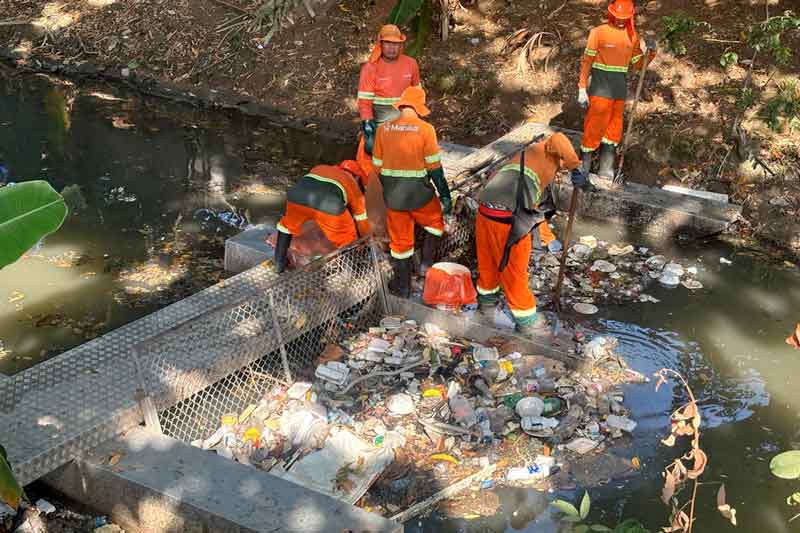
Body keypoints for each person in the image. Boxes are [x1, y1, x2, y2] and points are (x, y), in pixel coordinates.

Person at [475, 133, 587, 335]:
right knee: (514, 270)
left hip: (485, 210)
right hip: (508, 217)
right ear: (562, 155)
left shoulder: (527, 157)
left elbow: (533, 210)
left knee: (489, 261)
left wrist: (547, 239)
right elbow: (559, 138)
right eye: (563, 163)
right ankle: (527, 322)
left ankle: (486, 306)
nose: (562, 169)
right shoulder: (548, 149)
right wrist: (576, 166)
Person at [371, 86, 450, 297]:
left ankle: (403, 287)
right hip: (420, 196)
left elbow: (377, 167)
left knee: (400, 244)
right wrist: (445, 195)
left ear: (402, 105)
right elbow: (435, 168)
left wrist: (387, 192)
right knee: (435, 225)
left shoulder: (383, 129)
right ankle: (426, 265)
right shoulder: (426, 130)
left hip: (394, 198)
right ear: (418, 107)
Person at [578, 0, 657, 178]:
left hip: (619, 92)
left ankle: (606, 169)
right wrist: (582, 88)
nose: (621, 20)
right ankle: (583, 168)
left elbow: (638, 65)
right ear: (611, 13)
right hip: (600, 90)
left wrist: (650, 53)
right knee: (594, 127)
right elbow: (587, 62)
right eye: (618, 17)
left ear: (631, 17)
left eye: (625, 18)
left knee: (614, 129)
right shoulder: (598, 33)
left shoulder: (633, 36)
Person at [273, 160, 371, 273]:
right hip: (330, 205)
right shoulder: (352, 183)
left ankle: (278, 265)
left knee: (286, 226)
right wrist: (364, 240)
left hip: (296, 196)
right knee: (347, 239)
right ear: (357, 177)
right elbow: (361, 217)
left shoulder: (320, 168)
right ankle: (352, 275)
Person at [356, 24, 421, 185]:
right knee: (370, 158)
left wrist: (416, 119)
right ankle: (373, 190)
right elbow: (365, 102)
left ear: (401, 45)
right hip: (381, 122)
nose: (392, 48)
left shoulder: (411, 64)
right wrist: (368, 127)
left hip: (406, 121)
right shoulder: (370, 69)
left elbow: (417, 94)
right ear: (381, 44)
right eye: (388, 44)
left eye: (396, 44)